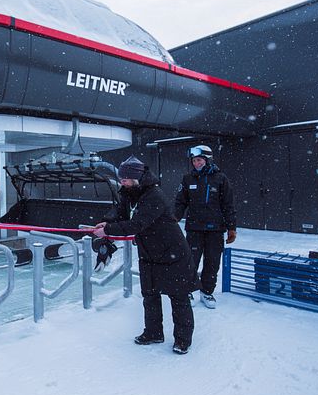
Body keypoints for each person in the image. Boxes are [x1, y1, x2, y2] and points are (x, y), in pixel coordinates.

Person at [93, 156, 198, 354]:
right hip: (149, 253)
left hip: (172, 253)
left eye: (125, 179)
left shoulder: (154, 196)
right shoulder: (128, 193)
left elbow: (137, 224)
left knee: (178, 297)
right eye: (121, 178)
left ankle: (183, 340)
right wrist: (107, 224)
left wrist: (108, 231)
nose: (122, 182)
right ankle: (153, 332)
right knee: (149, 295)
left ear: (136, 178)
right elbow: (120, 214)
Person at [174, 145, 237, 309]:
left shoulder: (221, 179)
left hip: (215, 230)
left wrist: (231, 227)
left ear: (207, 160)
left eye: (199, 160)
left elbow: (228, 205)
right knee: (190, 261)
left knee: (212, 262)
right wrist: (174, 218)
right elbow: (180, 202)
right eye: (194, 161)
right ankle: (188, 291)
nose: (196, 163)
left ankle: (207, 292)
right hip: (194, 229)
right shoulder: (188, 179)